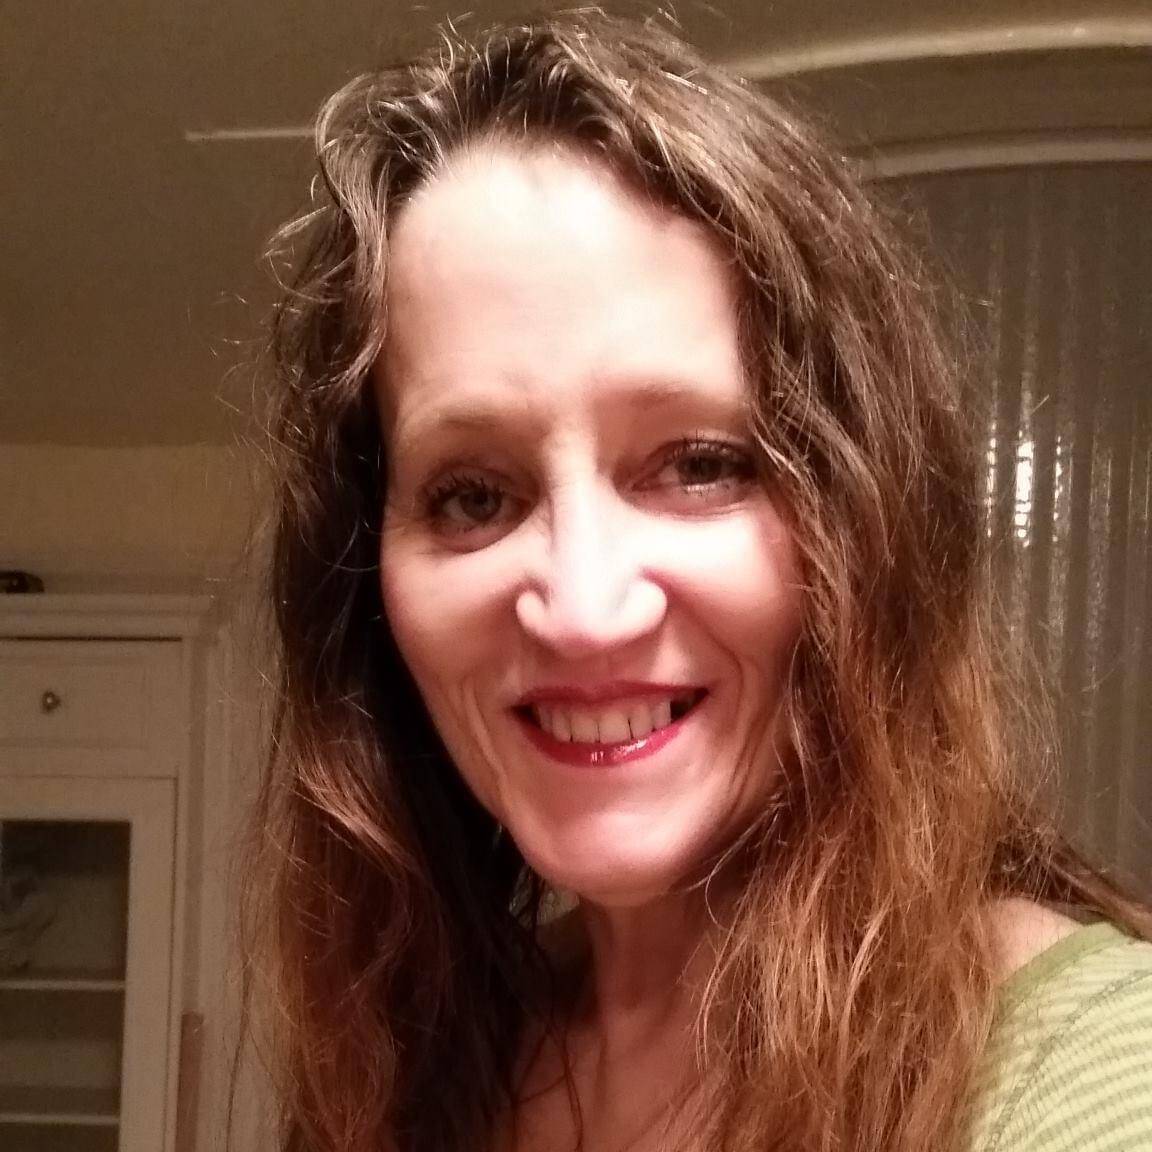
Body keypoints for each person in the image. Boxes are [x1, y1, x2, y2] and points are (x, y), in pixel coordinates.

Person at [247, 11, 1152, 1152]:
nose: (583, 611)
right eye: (473, 496)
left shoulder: (1100, 1077)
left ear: (868, 520)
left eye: (700, 465)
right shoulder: (416, 1067)